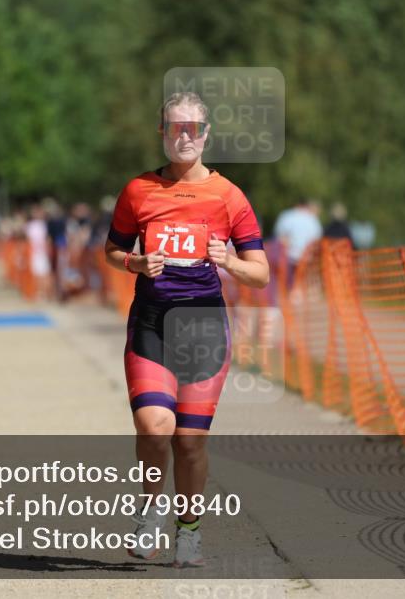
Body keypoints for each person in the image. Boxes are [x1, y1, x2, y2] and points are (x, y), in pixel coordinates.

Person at [104, 91, 269, 567]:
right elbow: (110, 252)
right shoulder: (138, 191)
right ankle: (153, 508)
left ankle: (189, 529)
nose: (184, 136)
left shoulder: (228, 195)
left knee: (190, 442)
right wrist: (135, 261)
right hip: (152, 323)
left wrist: (230, 262)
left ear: (205, 134)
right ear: (162, 133)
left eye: (192, 128)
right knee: (155, 427)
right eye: (175, 128)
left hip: (203, 328)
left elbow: (260, 273)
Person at [273, 198, 322, 289]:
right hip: (306, 256)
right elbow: (316, 240)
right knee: (302, 283)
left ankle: (289, 296)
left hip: (288, 254)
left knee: (287, 282)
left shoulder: (287, 216)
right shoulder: (312, 219)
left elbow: (279, 236)